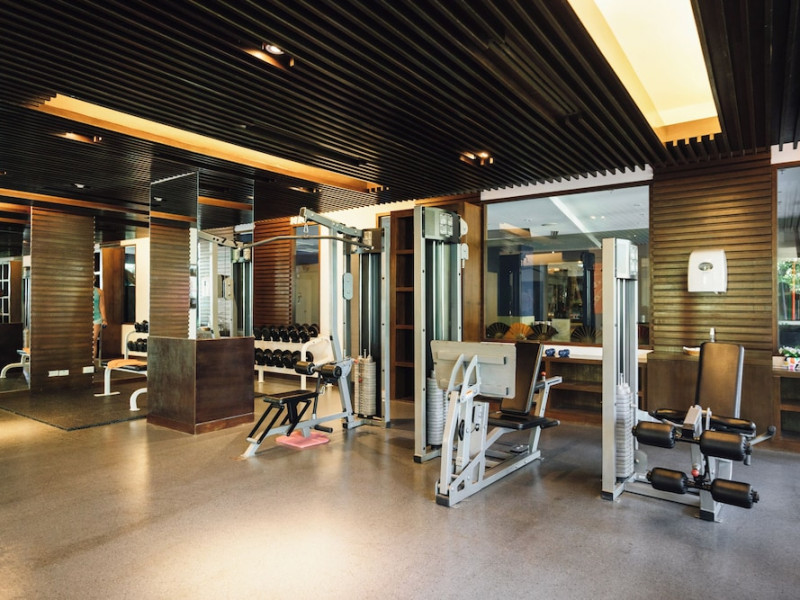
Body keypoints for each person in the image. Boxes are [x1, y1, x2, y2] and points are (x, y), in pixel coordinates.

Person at [93, 283, 107, 361]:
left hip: (96, 318)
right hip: (84, 318)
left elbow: (102, 306)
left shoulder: (99, 292)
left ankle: (92, 362)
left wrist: (104, 319)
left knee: (93, 340)